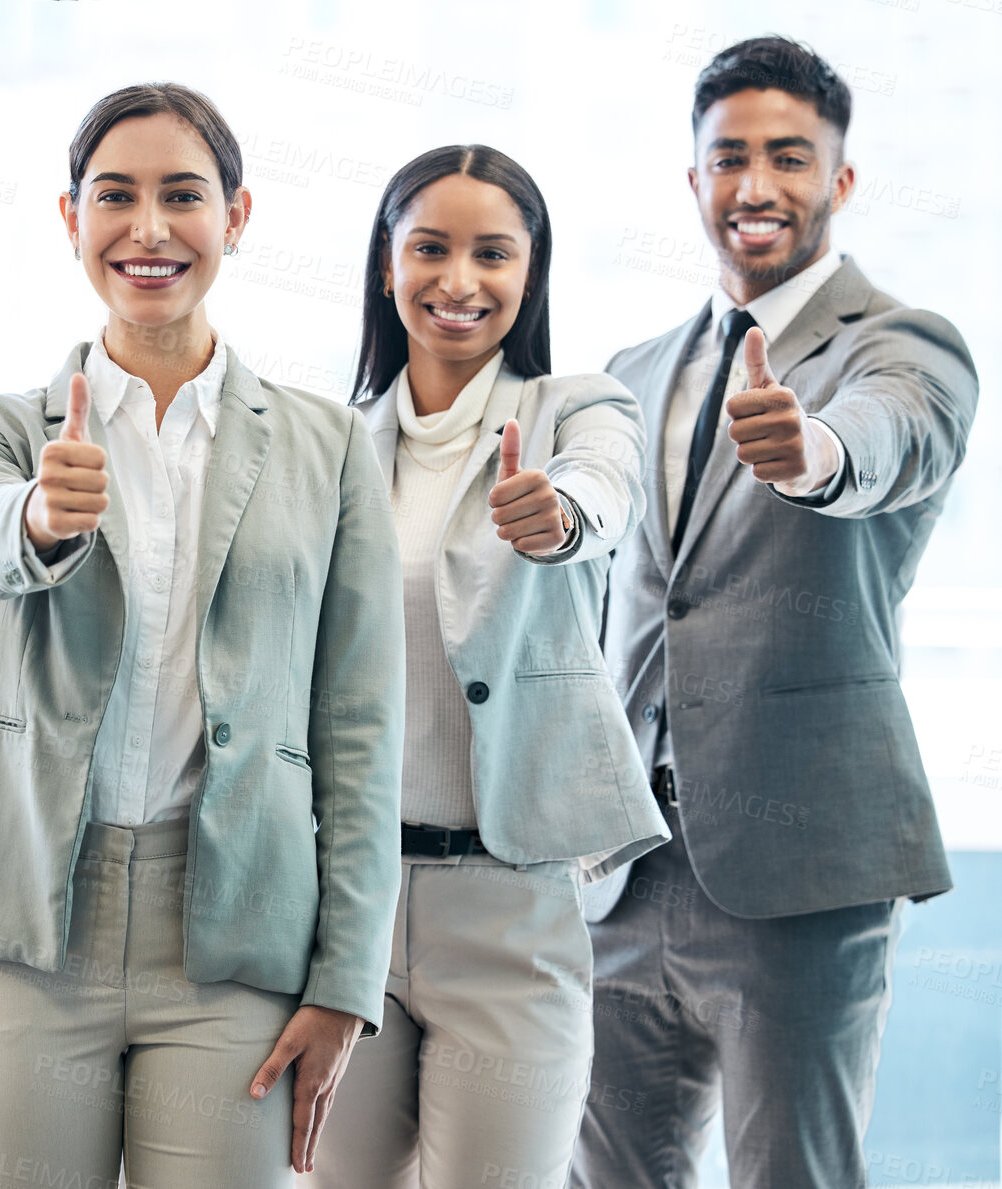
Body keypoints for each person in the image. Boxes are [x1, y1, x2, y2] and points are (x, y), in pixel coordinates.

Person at [0, 82, 404, 1187]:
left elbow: (358, 727)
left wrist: (346, 980)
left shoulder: (329, 446)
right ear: (70, 221)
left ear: (236, 218)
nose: (148, 229)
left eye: (182, 196)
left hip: (234, 926)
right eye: (114, 196)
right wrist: (40, 517)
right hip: (21, 912)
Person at [572, 36, 979, 1189]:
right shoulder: (633, 370)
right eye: (729, 158)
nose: (755, 186)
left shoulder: (900, 347)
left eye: (789, 158)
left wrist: (813, 452)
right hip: (620, 873)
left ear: (839, 183)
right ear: (693, 180)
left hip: (796, 877)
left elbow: (893, 438)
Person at [304, 145, 668, 1189]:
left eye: (492, 254)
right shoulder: (328, 445)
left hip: (511, 901)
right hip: (347, 905)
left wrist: (556, 515)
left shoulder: (575, 409)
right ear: (386, 266)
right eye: (429, 248)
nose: (458, 281)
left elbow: (602, 491)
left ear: (530, 272)